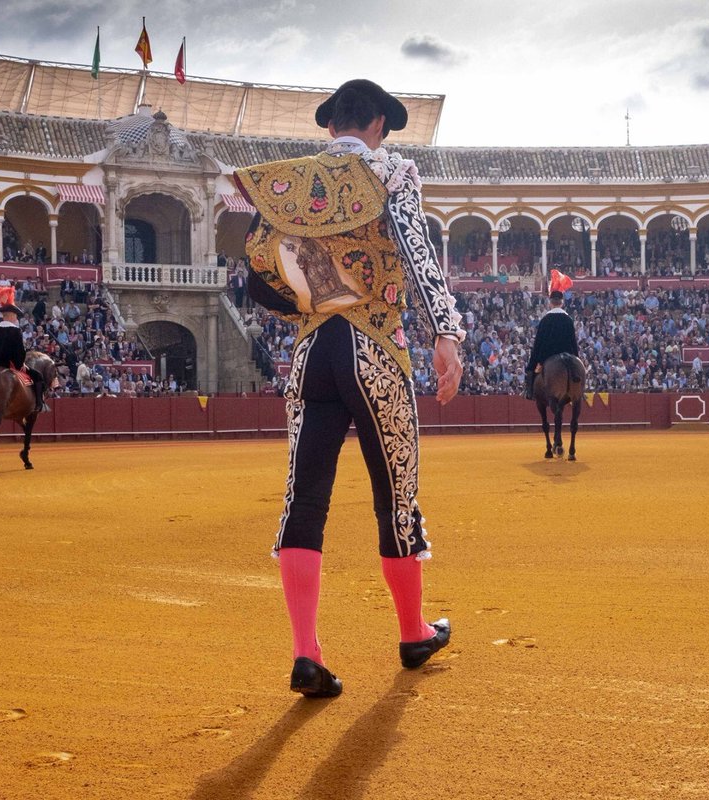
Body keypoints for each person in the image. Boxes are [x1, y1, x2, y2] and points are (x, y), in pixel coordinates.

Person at [236, 78, 465, 698]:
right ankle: (413, 631)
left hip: (312, 354)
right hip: (376, 349)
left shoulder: (289, 183)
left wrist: (308, 300)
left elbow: (256, 277)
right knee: (395, 497)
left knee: (304, 502)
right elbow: (417, 252)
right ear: (379, 126)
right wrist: (446, 332)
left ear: (330, 127)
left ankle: (305, 653)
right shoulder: (392, 173)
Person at [0, 285, 46, 413]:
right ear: (11, 315)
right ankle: (39, 403)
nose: (16, 318)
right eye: (15, 315)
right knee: (38, 376)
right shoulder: (16, 331)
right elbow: (19, 353)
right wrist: (20, 363)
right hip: (10, 365)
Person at [524, 273, 579, 401]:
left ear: (550, 303)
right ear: (562, 303)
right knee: (578, 371)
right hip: (566, 353)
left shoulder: (545, 320)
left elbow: (539, 342)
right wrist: (576, 357)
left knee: (531, 369)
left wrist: (534, 359)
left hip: (547, 354)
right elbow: (573, 341)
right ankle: (579, 390)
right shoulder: (568, 320)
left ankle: (529, 391)